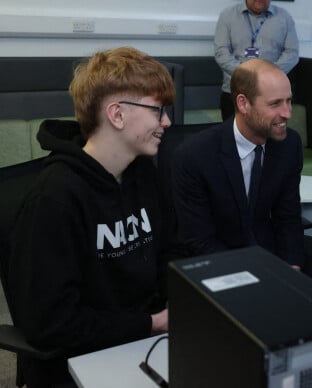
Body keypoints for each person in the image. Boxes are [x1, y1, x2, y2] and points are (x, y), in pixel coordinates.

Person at [8, 47, 182, 386]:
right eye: (158, 110)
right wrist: (153, 323)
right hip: (79, 361)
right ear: (116, 115)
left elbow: (169, 250)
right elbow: (52, 324)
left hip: (145, 340)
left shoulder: (143, 173)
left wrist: (182, 303)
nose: (167, 122)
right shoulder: (54, 200)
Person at [172, 58, 305, 270]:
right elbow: (199, 241)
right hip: (218, 263)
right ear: (243, 103)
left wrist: (292, 266)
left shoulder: (290, 144)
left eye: (289, 101)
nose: (287, 113)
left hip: (270, 256)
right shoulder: (194, 156)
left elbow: (288, 217)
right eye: (275, 104)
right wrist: (254, 273)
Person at [214, 0, 299, 121]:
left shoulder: (284, 17)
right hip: (235, 91)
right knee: (233, 136)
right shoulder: (227, 16)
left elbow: (292, 53)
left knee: (270, 136)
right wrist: (246, 74)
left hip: (272, 93)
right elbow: (221, 53)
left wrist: (268, 75)